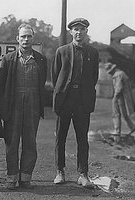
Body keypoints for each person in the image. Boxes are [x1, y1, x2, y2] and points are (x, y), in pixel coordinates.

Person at [0, 24, 47, 190]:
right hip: (13, 104)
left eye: (28, 36)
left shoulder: (41, 59)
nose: (25, 40)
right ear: (17, 39)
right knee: (12, 142)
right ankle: (11, 178)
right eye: (22, 36)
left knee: (30, 143)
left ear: (33, 38)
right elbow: (0, 85)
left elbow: (42, 84)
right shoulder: (8, 59)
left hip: (33, 105)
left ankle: (25, 178)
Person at [51, 18, 99, 188]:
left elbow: (94, 77)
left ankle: (83, 174)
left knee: (82, 138)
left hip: (82, 100)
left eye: (82, 29)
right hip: (65, 100)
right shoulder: (61, 51)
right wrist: (61, 94)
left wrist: (84, 92)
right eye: (76, 29)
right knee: (60, 137)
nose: (79, 32)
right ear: (71, 32)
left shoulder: (93, 53)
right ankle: (60, 171)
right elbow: (55, 77)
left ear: (86, 32)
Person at [105, 62, 135, 141]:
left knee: (116, 113)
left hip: (119, 96)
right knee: (124, 114)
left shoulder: (118, 75)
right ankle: (132, 126)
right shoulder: (121, 73)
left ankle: (117, 130)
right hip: (123, 97)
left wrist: (115, 96)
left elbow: (119, 87)